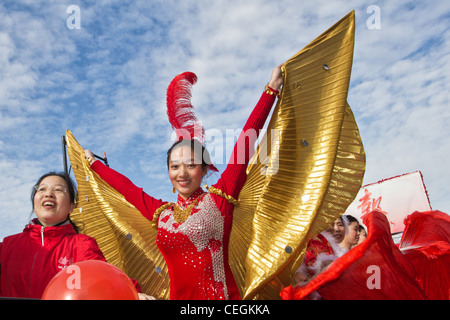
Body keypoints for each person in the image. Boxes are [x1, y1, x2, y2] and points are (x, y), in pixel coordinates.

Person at [84, 65, 284, 300]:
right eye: (174, 166)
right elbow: (128, 189)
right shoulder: (162, 214)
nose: (182, 173)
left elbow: (244, 145)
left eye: (191, 165)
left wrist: (270, 90)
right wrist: (94, 164)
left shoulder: (219, 200)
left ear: (204, 169)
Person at [0, 172, 146, 299]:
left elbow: (104, 276)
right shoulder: (7, 245)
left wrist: (132, 292)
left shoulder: (81, 245)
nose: (48, 193)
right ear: (34, 202)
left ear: (71, 206)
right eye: (42, 189)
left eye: (58, 190)